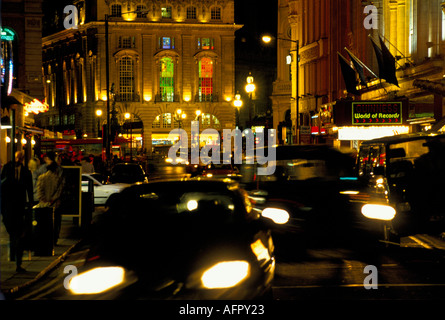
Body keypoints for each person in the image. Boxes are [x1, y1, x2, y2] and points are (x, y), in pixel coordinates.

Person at [1, 151, 34, 272]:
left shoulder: (25, 171)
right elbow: (2, 184)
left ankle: (18, 261)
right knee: (12, 233)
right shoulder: (7, 168)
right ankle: (14, 254)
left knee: (19, 235)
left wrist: (30, 203)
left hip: (20, 207)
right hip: (8, 206)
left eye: (20, 158)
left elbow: (29, 188)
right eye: (17, 157)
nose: (19, 159)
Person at [36, 151, 65, 245]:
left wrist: (43, 198)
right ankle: (54, 239)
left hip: (44, 202)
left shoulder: (41, 173)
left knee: (45, 222)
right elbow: (60, 188)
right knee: (56, 221)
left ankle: (47, 239)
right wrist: (54, 198)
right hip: (56, 202)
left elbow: (39, 189)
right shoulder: (59, 172)